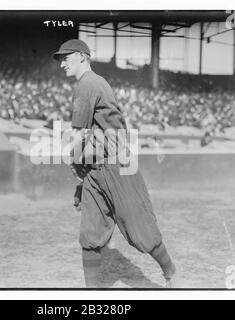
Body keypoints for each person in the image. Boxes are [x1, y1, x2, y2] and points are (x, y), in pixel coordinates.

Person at [52, 39, 178, 288]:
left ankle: (171, 272)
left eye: (65, 58)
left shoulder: (88, 83)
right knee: (90, 234)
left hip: (117, 165)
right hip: (96, 169)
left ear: (81, 56)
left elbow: (80, 134)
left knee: (139, 230)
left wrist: (71, 160)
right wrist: (82, 173)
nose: (62, 64)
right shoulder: (88, 84)